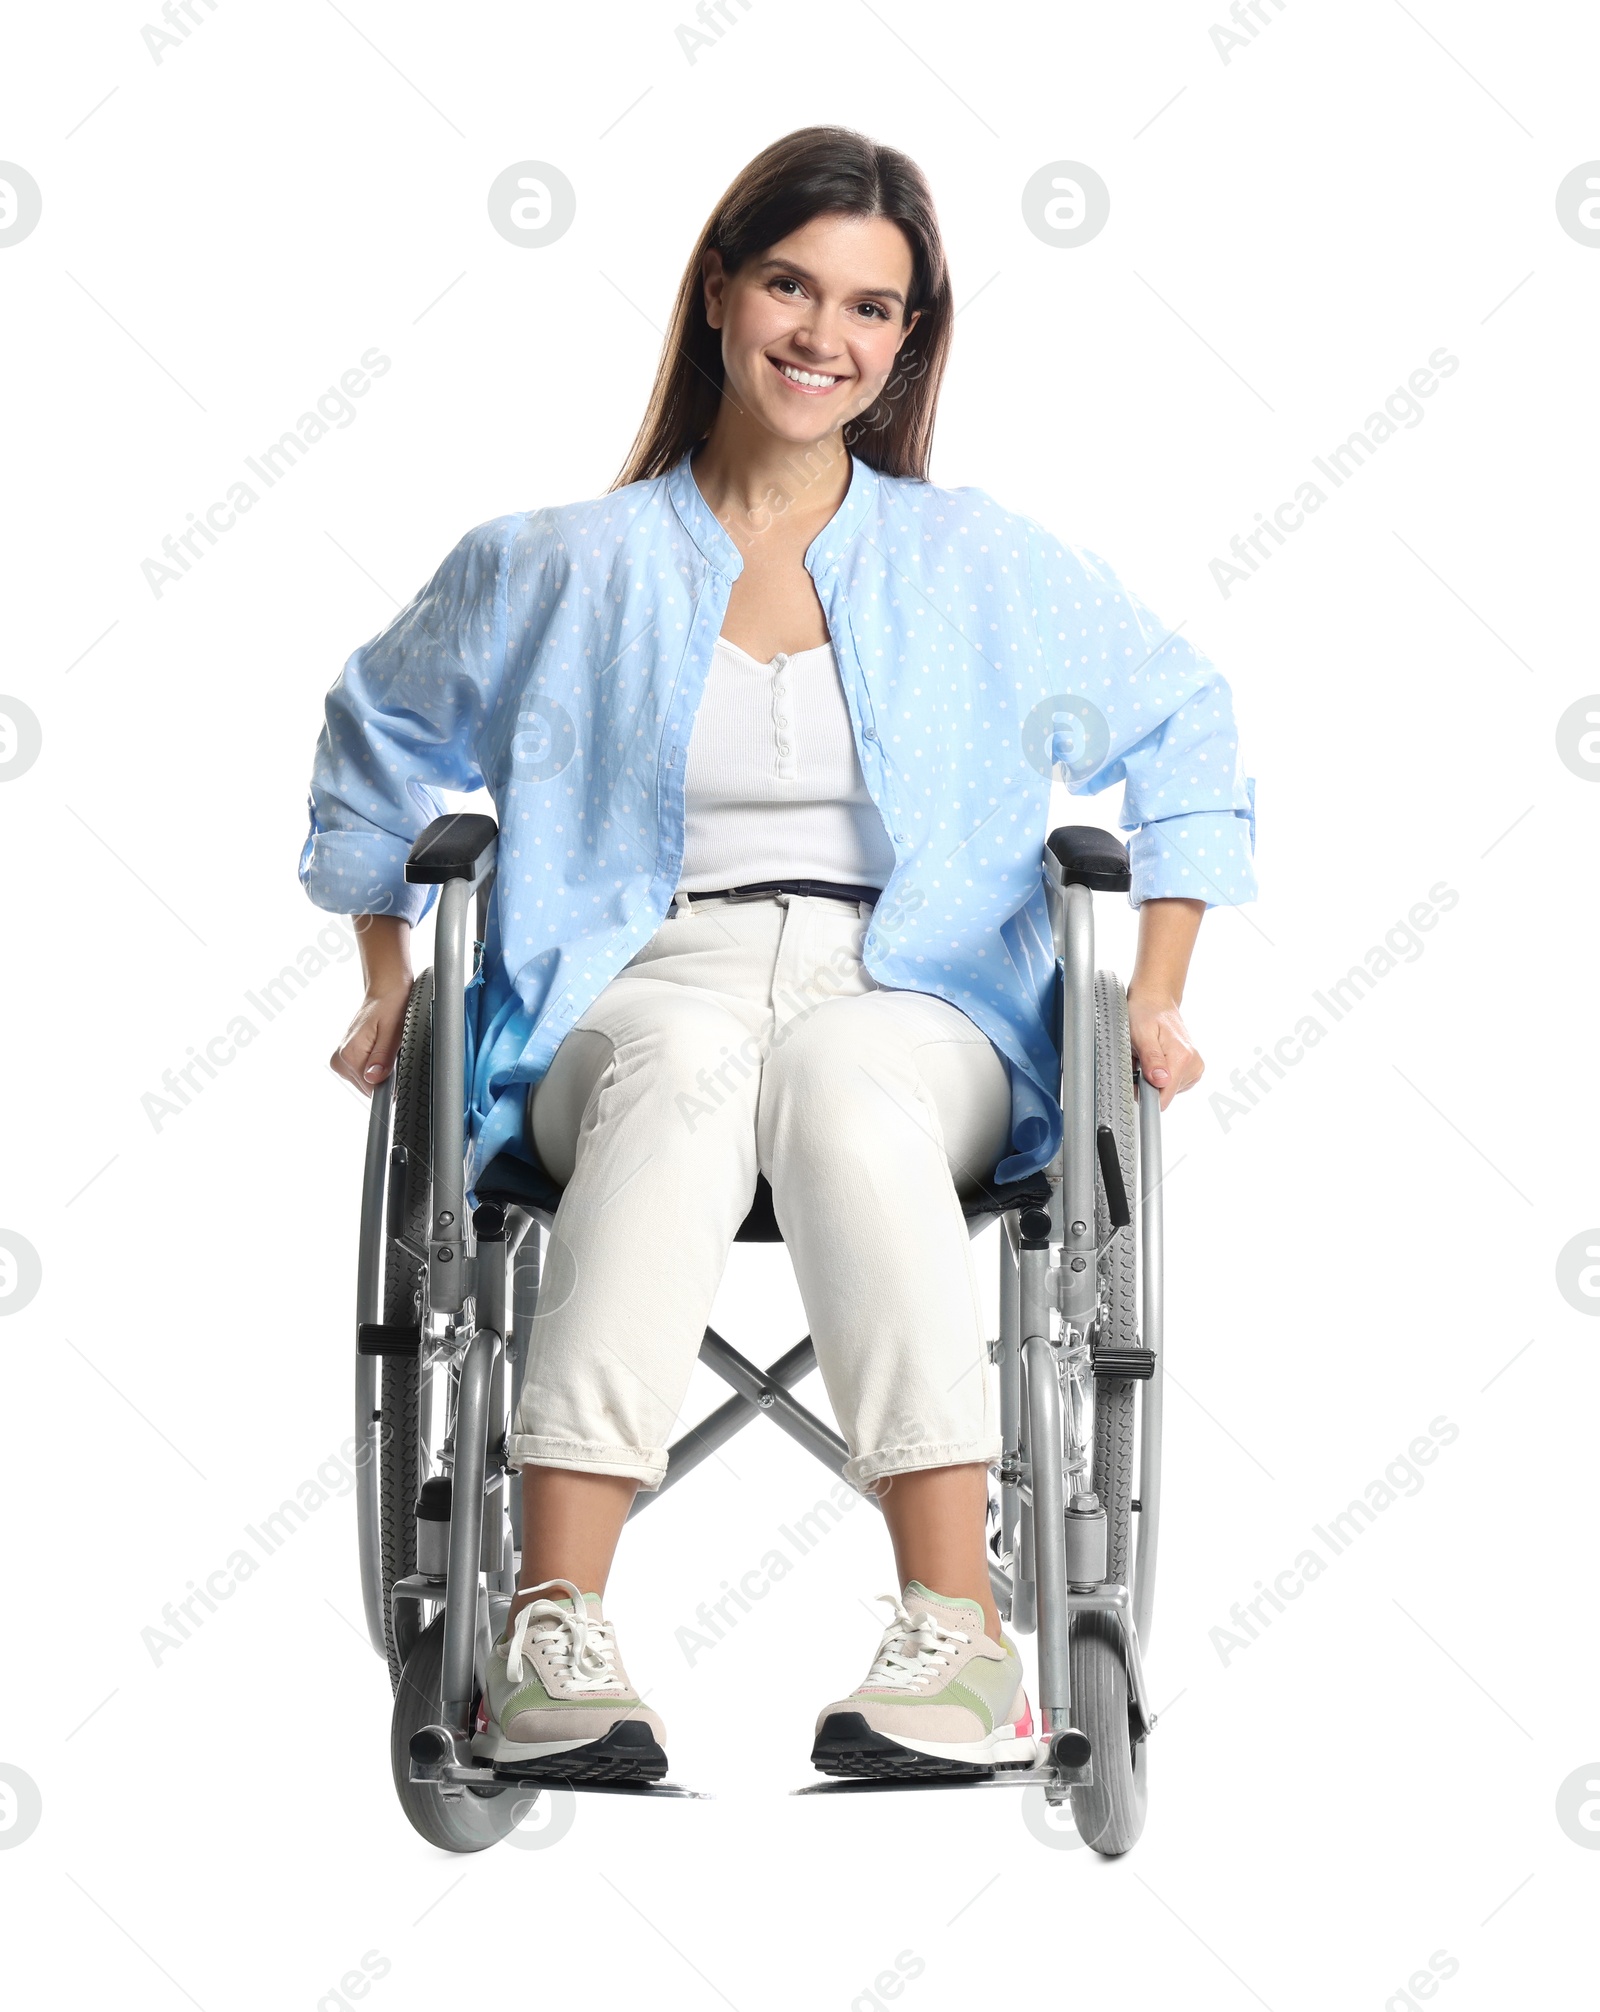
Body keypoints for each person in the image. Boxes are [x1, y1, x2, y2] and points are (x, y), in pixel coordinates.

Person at [301, 125, 1257, 1784]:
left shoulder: (977, 562)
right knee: (675, 1079)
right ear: (722, 295)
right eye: (795, 287)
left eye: (874, 310)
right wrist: (387, 975)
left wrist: (1157, 995)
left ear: (908, 342)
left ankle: (954, 1635)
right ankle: (557, 1627)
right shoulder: (552, 564)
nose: (827, 336)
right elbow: (376, 732)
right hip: (634, 975)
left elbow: (1185, 726)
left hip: (918, 987)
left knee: (838, 1082)